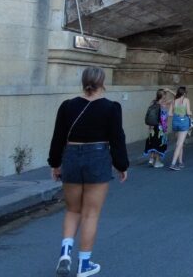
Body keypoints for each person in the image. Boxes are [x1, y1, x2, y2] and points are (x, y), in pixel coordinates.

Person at [48, 67, 128, 277]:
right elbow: (117, 138)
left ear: (83, 82)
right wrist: (122, 165)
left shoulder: (67, 106)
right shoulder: (111, 108)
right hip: (98, 157)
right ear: (103, 82)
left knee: (72, 210)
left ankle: (65, 254)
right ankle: (84, 265)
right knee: (90, 214)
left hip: (71, 157)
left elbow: (58, 137)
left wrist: (55, 163)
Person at [168, 86, 192, 171]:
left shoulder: (174, 101)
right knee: (179, 144)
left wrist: (177, 112)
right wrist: (189, 113)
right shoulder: (186, 100)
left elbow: (170, 114)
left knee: (179, 143)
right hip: (183, 123)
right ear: (184, 93)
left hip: (175, 123)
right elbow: (188, 112)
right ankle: (173, 163)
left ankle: (180, 162)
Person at [143, 89, 169, 168]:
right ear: (163, 96)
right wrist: (165, 128)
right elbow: (164, 118)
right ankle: (157, 162)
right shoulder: (163, 105)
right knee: (159, 144)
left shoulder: (153, 102)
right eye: (165, 95)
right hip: (160, 127)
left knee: (152, 142)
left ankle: (151, 159)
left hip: (152, 127)